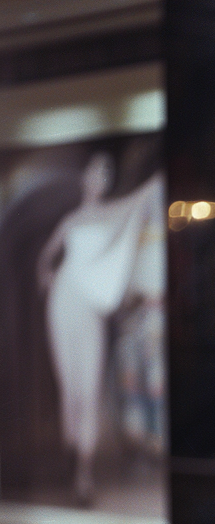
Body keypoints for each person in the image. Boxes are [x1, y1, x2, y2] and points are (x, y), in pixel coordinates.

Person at [36, 152, 164, 503]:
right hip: (63, 302)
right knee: (70, 387)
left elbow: (137, 202)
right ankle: (70, 460)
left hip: (89, 306)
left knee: (89, 387)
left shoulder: (112, 213)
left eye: (107, 172)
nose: (101, 178)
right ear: (85, 179)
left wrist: (154, 182)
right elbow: (46, 256)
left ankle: (83, 475)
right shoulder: (71, 219)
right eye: (97, 171)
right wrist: (46, 275)